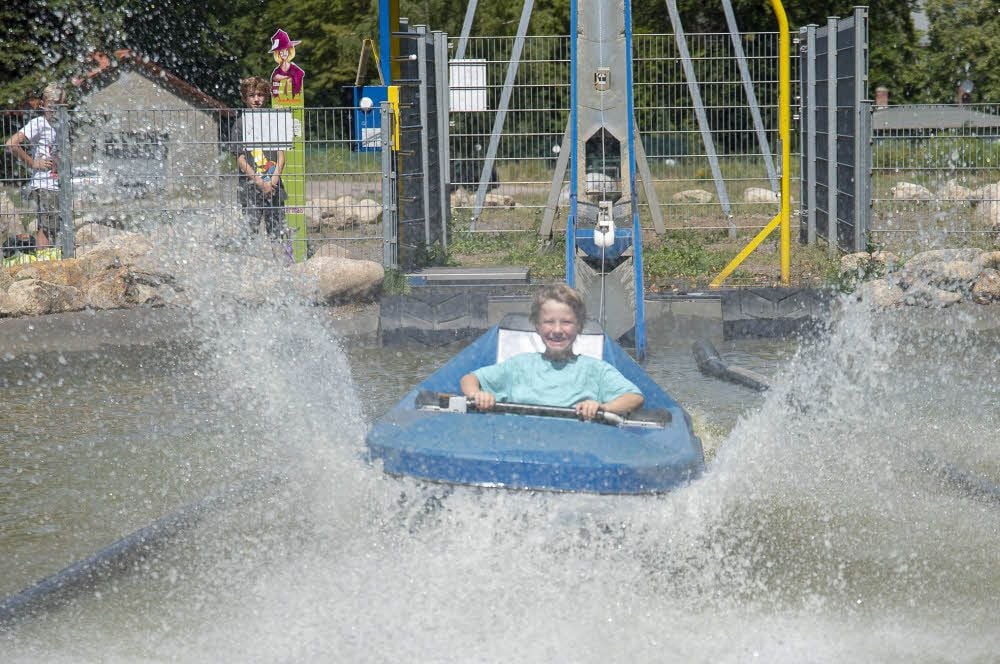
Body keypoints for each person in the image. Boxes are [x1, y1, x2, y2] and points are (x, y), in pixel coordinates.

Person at [460, 284, 644, 421]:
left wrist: (602, 407)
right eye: (549, 322)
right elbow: (469, 379)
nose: (557, 330)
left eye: (566, 322)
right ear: (537, 326)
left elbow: (634, 397)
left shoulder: (596, 369)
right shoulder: (519, 365)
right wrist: (477, 395)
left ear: (579, 326)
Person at [4, 83, 66, 249]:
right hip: (44, 183)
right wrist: (33, 163)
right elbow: (11, 144)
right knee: (47, 227)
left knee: (50, 225)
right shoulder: (39, 123)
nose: (56, 110)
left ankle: (46, 259)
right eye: (53, 106)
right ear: (42, 105)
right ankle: (44, 262)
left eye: (61, 105)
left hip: (56, 183)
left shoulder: (61, 125)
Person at [234, 76, 286, 238]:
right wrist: (259, 182)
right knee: (249, 233)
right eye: (252, 95)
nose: (256, 99)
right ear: (244, 98)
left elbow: (281, 156)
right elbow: (240, 158)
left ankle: (281, 261)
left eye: (260, 94)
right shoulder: (240, 124)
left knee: (277, 233)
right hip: (250, 188)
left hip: (275, 186)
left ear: (267, 96)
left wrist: (272, 182)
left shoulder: (275, 121)